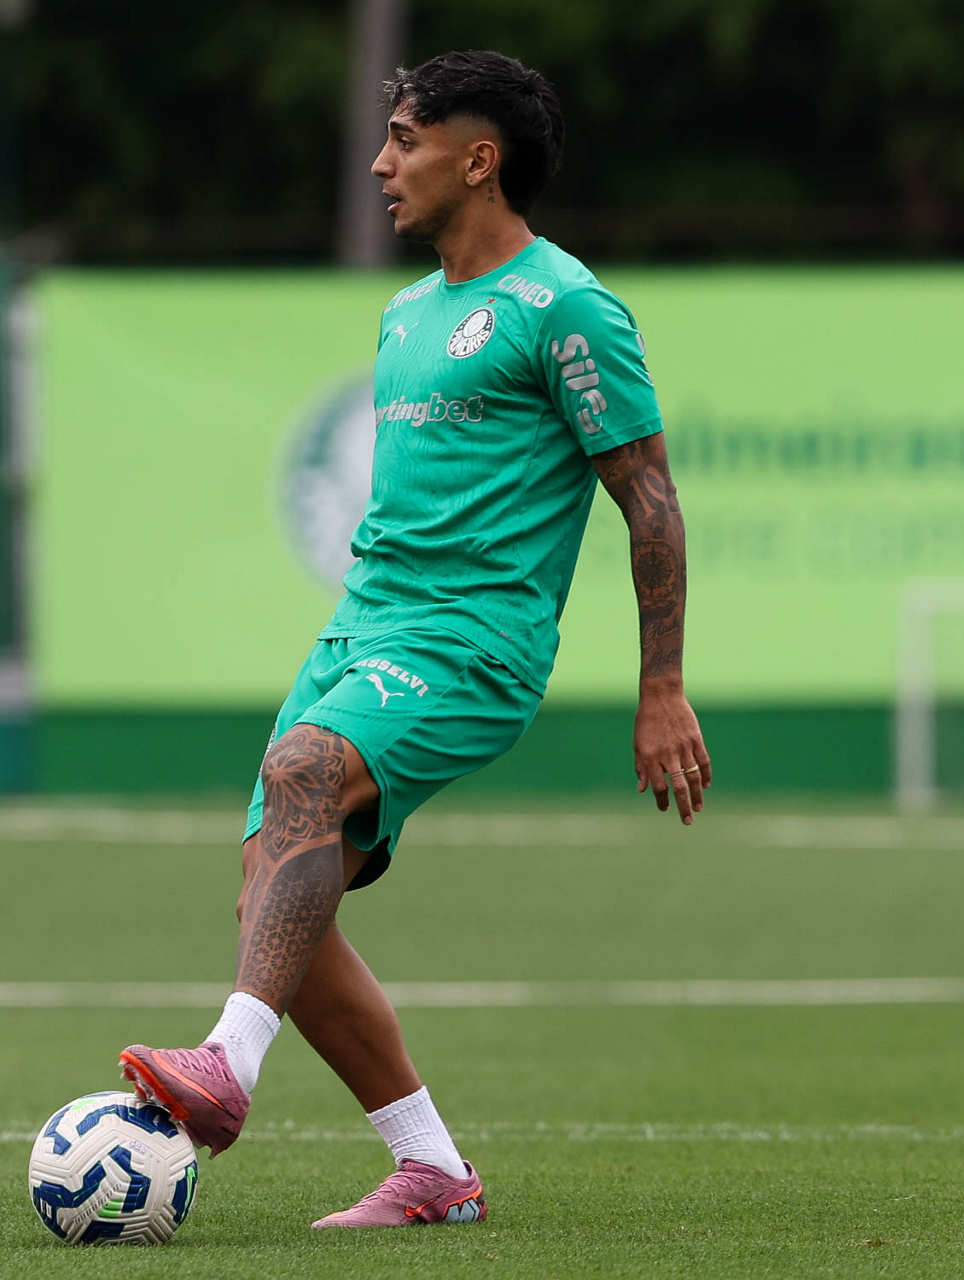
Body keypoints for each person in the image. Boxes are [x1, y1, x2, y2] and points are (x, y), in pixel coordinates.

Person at [119, 49, 711, 1229]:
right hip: (361, 629)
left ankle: (226, 1064)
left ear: (477, 159)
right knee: (274, 905)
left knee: (301, 771)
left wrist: (662, 686)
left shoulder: (565, 305)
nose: (382, 164)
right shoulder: (405, 311)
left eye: (403, 139)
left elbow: (647, 497)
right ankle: (431, 1168)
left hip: (472, 642)